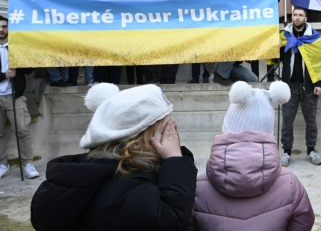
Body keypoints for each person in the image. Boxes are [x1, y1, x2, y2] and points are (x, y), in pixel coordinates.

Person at [30, 83, 197, 230]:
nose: (172, 136)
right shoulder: (126, 189)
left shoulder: (103, 170)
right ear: (136, 144)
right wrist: (174, 158)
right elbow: (171, 217)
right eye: (164, 131)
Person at [190, 81, 315, 231]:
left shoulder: (198, 188)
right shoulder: (290, 184)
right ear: (268, 134)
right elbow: (303, 223)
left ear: (226, 130)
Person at [21, 0, 90, 87]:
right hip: (46, 24)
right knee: (49, 52)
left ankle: (62, 79)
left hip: (63, 24)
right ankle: (56, 78)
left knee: (63, 51)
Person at [279, 7, 321, 167]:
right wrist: (277, 46)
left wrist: (319, 84)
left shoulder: (314, 38)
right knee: (287, 121)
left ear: (306, 18)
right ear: (292, 17)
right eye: (295, 15)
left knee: (311, 121)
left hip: (308, 86)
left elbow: (320, 62)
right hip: (289, 86)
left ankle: (311, 151)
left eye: (300, 15)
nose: (297, 18)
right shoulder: (284, 36)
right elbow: (274, 58)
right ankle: (286, 152)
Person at [0, 16, 38, 179]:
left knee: (22, 130)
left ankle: (28, 164)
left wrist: (20, 61)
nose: (1, 29)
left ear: (9, 28)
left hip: (15, 96)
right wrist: (4, 75)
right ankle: (2, 164)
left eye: (4, 26)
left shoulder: (16, 46)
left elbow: (29, 71)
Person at [150, 0, 188, 83]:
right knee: (159, 52)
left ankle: (171, 79)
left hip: (177, 27)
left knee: (175, 53)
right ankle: (157, 78)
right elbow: (150, 1)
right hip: (160, 26)